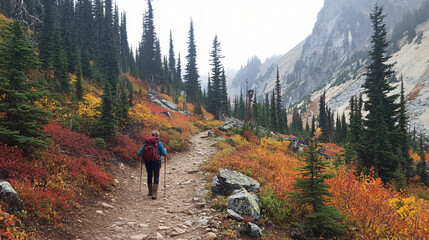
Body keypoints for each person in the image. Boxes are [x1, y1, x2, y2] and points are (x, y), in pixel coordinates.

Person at [138, 130, 167, 199]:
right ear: (158, 136)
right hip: (156, 162)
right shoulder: (159, 143)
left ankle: (150, 192)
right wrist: (165, 150)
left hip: (147, 162)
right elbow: (164, 154)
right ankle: (154, 194)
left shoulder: (146, 143)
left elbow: (139, 153)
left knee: (149, 175)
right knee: (156, 176)